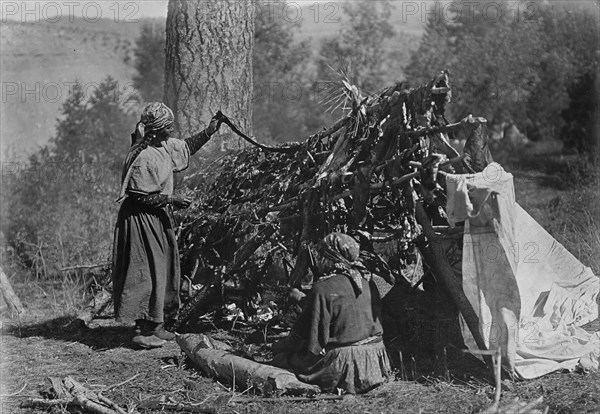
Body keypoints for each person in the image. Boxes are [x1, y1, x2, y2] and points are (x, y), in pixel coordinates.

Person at [111, 102, 223, 349]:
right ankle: (142, 330)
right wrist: (172, 199)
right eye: (167, 127)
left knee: (163, 270)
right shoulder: (143, 156)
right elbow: (139, 195)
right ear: (154, 130)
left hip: (157, 217)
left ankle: (158, 325)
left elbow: (185, 147)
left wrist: (209, 131)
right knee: (145, 272)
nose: (172, 130)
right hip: (140, 220)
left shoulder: (162, 146)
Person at [271, 232, 391, 394]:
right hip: (375, 361)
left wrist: (278, 347)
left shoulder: (322, 289)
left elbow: (310, 342)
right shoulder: (370, 282)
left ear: (329, 256)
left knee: (283, 359)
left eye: (321, 255)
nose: (319, 259)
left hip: (345, 363)